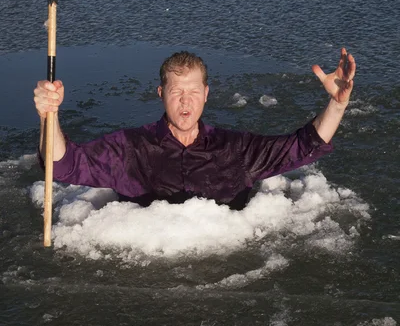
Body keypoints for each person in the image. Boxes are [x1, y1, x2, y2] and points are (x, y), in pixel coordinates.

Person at [34, 48, 356, 210]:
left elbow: (304, 145)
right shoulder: (130, 149)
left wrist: (337, 104)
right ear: (161, 94)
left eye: (192, 91)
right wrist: (49, 115)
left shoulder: (236, 149)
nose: (185, 101)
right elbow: (61, 165)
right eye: (176, 91)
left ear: (206, 94)